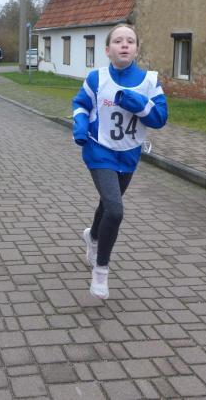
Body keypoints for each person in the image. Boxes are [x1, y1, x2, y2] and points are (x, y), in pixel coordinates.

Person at [71, 23, 167, 299]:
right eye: (118, 41)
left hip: (129, 153)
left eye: (130, 41)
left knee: (107, 203)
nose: (124, 45)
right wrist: (80, 125)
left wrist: (139, 104)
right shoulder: (96, 78)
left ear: (136, 49)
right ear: (107, 50)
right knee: (115, 210)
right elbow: (80, 105)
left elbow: (160, 118)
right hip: (99, 150)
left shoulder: (149, 81)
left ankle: (93, 236)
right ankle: (101, 271)